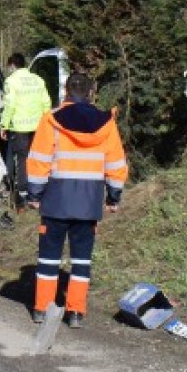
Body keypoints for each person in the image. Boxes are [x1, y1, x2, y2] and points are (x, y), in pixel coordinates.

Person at [26, 72, 128, 328]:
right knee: (82, 260)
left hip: (56, 200)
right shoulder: (106, 123)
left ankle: (42, 309)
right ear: (92, 91)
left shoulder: (51, 120)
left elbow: (39, 160)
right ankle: (76, 313)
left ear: (66, 91)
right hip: (89, 202)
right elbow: (116, 163)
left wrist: (34, 195)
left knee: (49, 258)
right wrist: (113, 197)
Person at [0, 53, 52, 209]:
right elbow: (46, 103)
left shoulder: (11, 81)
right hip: (38, 127)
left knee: (22, 161)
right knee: (37, 159)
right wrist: (46, 123)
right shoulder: (38, 80)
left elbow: (10, 105)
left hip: (20, 127)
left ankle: (23, 196)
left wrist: (4, 125)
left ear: (12, 65)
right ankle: (39, 191)